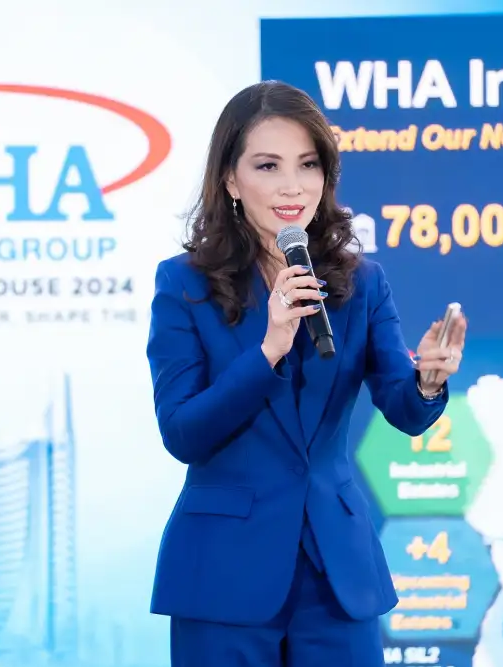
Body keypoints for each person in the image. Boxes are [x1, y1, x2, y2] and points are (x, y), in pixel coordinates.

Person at [145, 81, 467, 666]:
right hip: (223, 572)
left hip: (336, 573)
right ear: (231, 179)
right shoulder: (184, 284)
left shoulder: (361, 282)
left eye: (308, 164)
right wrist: (267, 350)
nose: (292, 186)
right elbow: (183, 433)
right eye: (268, 166)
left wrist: (428, 380)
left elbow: (403, 407)